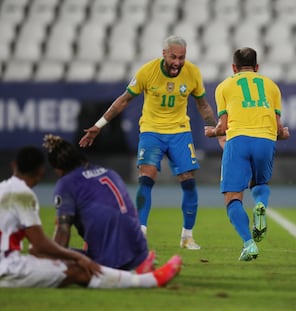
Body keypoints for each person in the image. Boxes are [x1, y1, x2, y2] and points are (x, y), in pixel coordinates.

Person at [79, 35, 218, 250]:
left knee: (188, 180)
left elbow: (203, 104)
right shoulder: (147, 72)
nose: (178, 62)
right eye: (173, 57)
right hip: (152, 131)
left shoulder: (192, 72)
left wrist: (213, 127)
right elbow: (124, 100)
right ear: (164, 54)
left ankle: (187, 236)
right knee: (147, 176)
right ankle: (140, 231)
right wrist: (99, 125)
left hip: (180, 131)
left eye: (182, 58)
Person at [0, 146, 182, 288]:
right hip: (9, 268)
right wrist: (79, 257)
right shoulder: (108, 172)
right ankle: (148, 278)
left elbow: (48, 242)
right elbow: (40, 244)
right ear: (41, 171)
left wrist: (73, 256)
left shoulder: (3, 188)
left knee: (67, 262)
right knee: (79, 269)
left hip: (9, 265)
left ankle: (141, 272)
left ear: (13, 165)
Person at [205, 47, 290, 261]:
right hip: (265, 140)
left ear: (234, 68)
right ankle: (260, 204)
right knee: (260, 183)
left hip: (238, 141)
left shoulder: (224, 86)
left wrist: (212, 132)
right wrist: (284, 133)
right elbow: (279, 129)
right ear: (257, 67)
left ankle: (249, 243)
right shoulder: (272, 86)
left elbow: (223, 128)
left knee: (232, 197)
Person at [42, 134, 155, 273]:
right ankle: (139, 266)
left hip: (110, 259)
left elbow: (63, 231)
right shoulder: (109, 172)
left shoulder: (66, 184)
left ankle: (121, 274)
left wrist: (51, 263)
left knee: (42, 254)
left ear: (57, 169)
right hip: (140, 251)